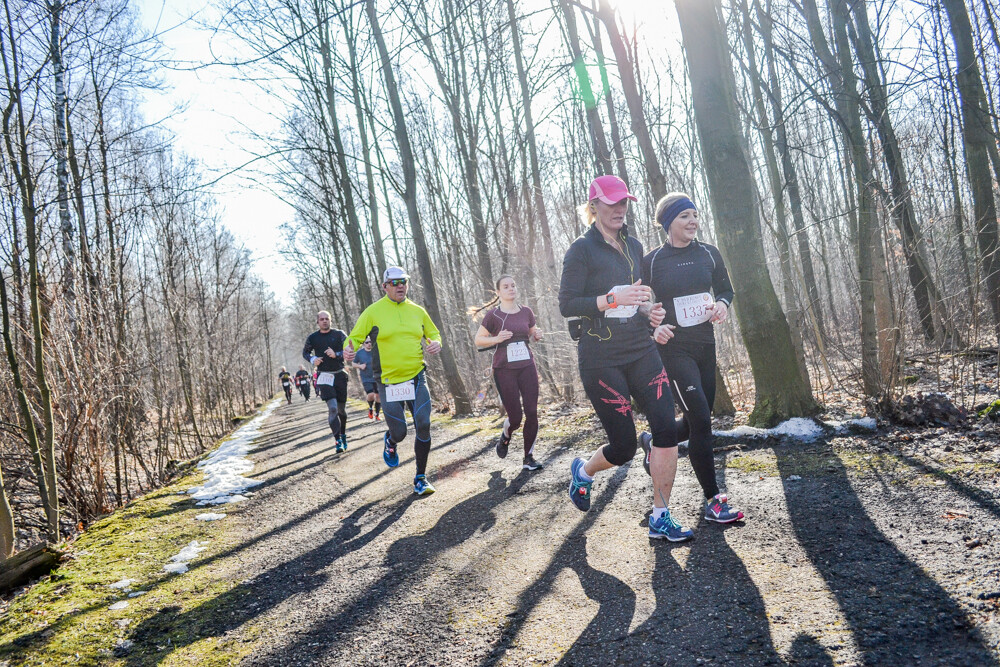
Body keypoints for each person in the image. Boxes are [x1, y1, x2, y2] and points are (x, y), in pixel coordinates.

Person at [558, 175, 693, 541]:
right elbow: (567, 304)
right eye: (612, 203)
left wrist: (649, 312)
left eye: (624, 203)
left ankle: (660, 515)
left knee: (666, 430)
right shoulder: (580, 251)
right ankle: (583, 472)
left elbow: (640, 296)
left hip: (641, 349)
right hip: (600, 358)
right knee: (624, 447)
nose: (619, 209)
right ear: (594, 206)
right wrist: (610, 300)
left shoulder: (634, 245)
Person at [641, 192, 743, 523]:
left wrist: (723, 306)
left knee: (695, 420)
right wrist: (653, 328)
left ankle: (652, 442)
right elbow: (638, 305)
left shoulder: (709, 254)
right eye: (685, 215)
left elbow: (726, 290)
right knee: (700, 417)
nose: (693, 221)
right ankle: (714, 500)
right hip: (673, 349)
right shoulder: (653, 260)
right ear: (669, 222)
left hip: (705, 345)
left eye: (695, 214)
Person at [344, 266, 442, 496]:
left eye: (404, 281)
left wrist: (436, 343)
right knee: (400, 432)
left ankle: (420, 477)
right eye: (395, 282)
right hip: (388, 382)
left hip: (416, 376)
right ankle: (391, 439)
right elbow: (354, 337)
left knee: (424, 424)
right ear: (385, 286)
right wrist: (348, 350)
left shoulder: (417, 311)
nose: (400, 286)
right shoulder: (373, 312)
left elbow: (434, 333)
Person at [473, 275, 544, 471]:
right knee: (515, 418)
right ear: (498, 292)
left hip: (527, 366)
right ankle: (506, 435)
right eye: (506, 286)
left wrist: (537, 335)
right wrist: (497, 338)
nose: (511, 289)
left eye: (513, 285)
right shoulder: (493, 315)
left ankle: (528, 457)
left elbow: (532, 332)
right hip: (504, 370)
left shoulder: (526, 311)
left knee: (532, 411)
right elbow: (479, 340)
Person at [302, 311, 349, 453]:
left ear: (331, 320)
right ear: (317, 322)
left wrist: (337, 354)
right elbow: (305, 352)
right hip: (324, 376)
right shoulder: (313, 337)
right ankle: (337, 441)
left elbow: (350, 349)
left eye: (327, 319)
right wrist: (312, 359)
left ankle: (343, 434)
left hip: (339, 375)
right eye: (321, 319)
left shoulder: (339, 334)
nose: (324, 321)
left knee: (341, 411)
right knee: (333, 408)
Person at [352, 337, 381, 421]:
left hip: (377, 376)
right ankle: (371, 408)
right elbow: (353, 364)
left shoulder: (376, 351)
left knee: (378, 396)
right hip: (366, 378)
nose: (369, 344)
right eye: (367, 342)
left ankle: (377, 414)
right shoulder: (360, 353)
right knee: (371, 395)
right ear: (363, 344)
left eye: (370, 342)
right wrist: (360, 366)